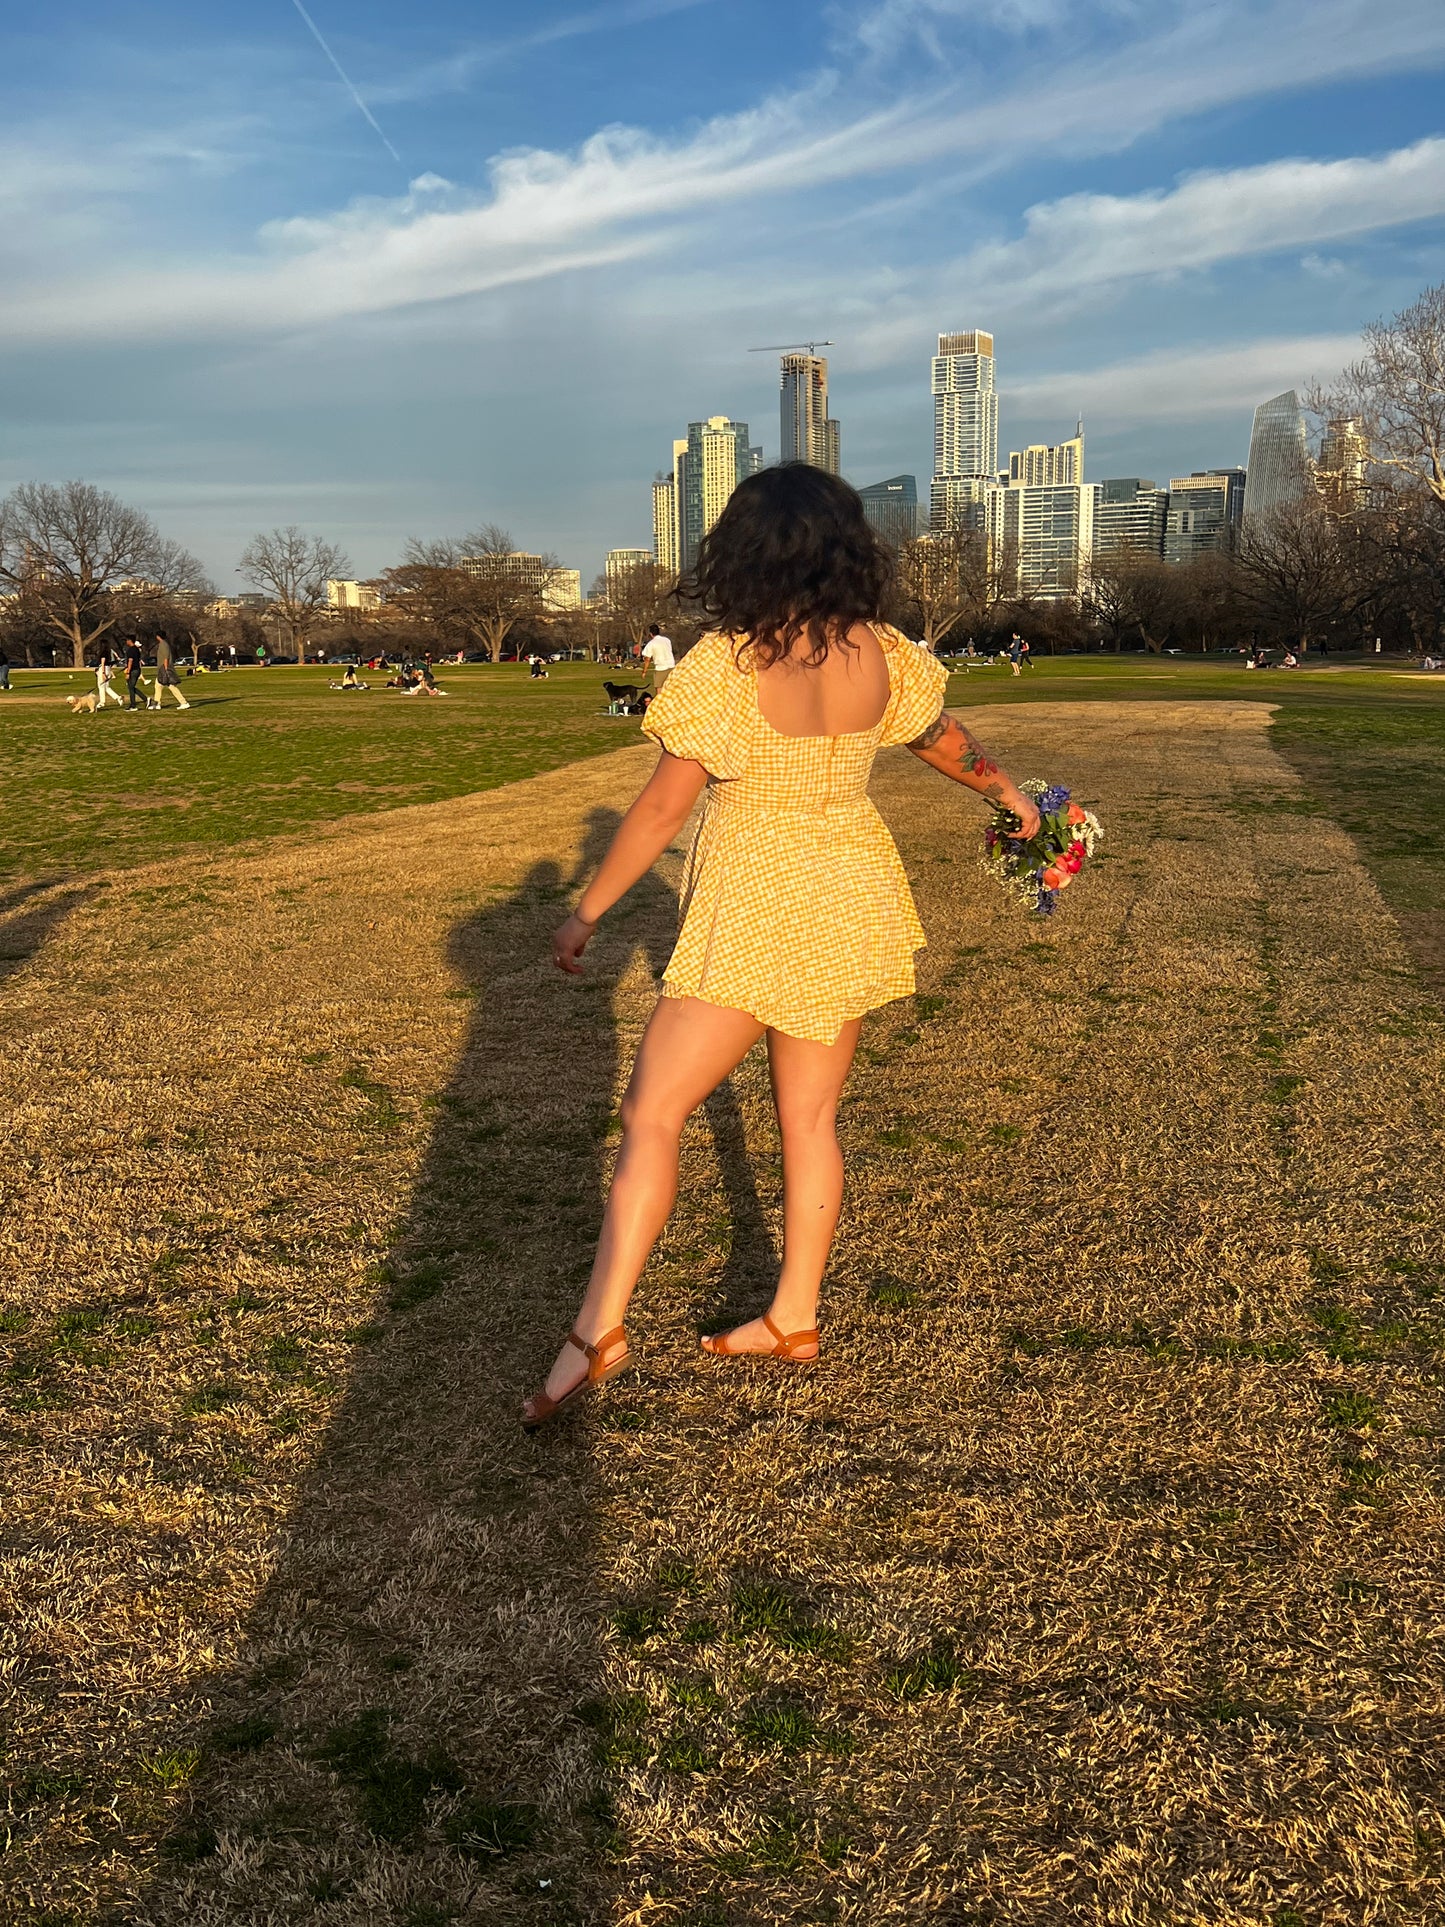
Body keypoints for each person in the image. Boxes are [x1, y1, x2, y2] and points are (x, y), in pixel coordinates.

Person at [521, 463, 1042, 1429]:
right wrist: (1009, 794)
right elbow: (940, 739)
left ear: (744, 551)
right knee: (809, 1122)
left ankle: (598, 1330)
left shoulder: (722, 665)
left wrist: (587, 911)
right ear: (848, 545)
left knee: (651, 1114)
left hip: (755, 903)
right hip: (848, 891)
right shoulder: (883, 653)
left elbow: (660, 809)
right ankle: (792, 1316)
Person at [152, 632, 191, 711]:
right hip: (163, 668)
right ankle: (158, 703)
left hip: (164, 668)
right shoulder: (163, 644)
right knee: (161, 686)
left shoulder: (163, 645)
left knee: (166, 686)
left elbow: (166, 657)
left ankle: (183, 702)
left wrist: (166, 669)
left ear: (158, 636)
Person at [638, 621, 676, 690]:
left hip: (660, 668)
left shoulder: (651, 643)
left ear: (651, 634)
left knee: (659, 689)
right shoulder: (667, 640)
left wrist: (644, 671)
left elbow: (647, 659)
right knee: (670, 689)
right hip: (671, 666)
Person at [121, 634, 145, 709]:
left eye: (127, 640)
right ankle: (144, 700)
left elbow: (130, 661)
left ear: (129, 641)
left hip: (133, 670)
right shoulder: (136, 649)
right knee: (131, 687)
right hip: (137, 669)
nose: (126, 642)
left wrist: (128, 672)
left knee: (131, 687)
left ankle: (134, 705)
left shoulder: (131, 650)